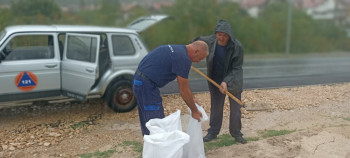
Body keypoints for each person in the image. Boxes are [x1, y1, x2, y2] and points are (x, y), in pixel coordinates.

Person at [133, 40, 209, 136]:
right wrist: (194, 111)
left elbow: (185, 88)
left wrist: (192, 99)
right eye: (199, 58)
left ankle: (150, 146)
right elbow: (183, 90)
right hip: (146, 85)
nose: (198, 62)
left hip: (139, 81)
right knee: (155, 120)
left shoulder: (179, 50)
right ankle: (157, 147)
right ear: (196, 51)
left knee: (148, 121)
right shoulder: (183, 59)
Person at [192, 20, 246, 144]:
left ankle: (236, 133)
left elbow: (237, 68)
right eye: (219, 34)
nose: (221, 38)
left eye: (224, 35)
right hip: (214, 80)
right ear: (216, 34)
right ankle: (213, 132)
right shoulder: (210, 41)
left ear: (229, 35)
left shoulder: (237, 47)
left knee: (235, 109)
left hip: (233, 81)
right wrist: (184, 52)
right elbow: (194, 43)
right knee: (216, 107)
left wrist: (226, 82)